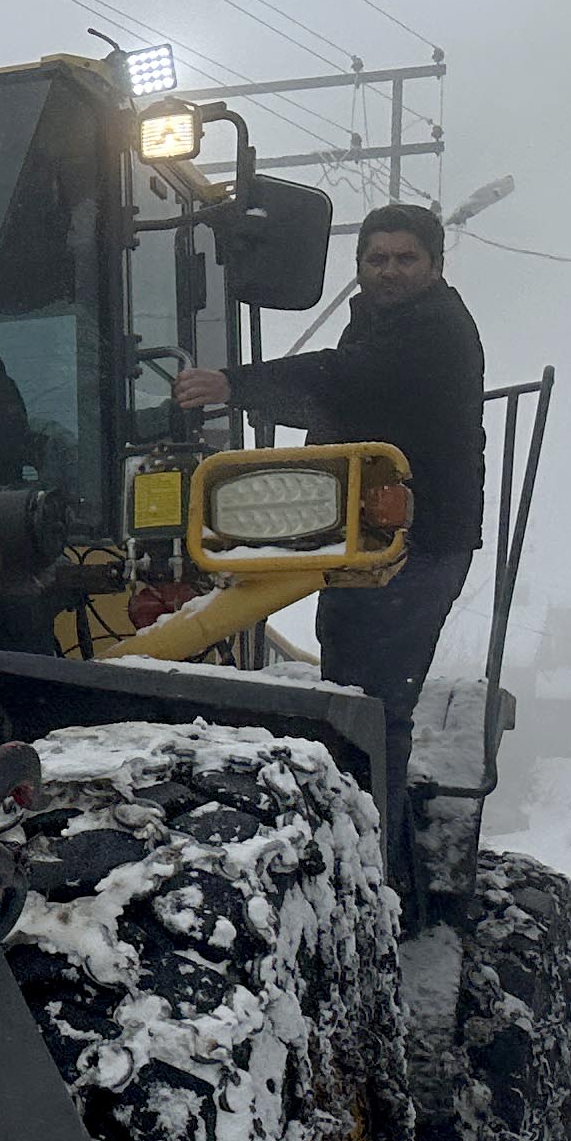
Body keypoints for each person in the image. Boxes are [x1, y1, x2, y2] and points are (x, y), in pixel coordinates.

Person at [174, 202, 485, 779]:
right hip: (365, 539)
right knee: (348, 692)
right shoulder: (374, 321)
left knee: (374, 706)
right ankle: (358, 807)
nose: (389, 270)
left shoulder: (435, 328)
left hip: (421, 541)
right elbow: (334, 404)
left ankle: (379, 844)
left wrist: (233, 384)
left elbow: (350, 383)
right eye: (376, 258)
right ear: (359, 265)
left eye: (405, 258)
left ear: (437, 266)